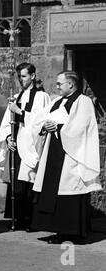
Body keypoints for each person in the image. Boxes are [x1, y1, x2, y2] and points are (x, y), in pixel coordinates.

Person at [30, 71, 102, 243]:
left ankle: (71, 232)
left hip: (71, 155)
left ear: (70, 84)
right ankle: (57, 230)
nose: (56, 86)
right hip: (52, 151)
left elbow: (81, 127)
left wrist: (59, 127)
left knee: (68, 190)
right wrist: (45, 127)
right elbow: (39, 121)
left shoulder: (83, 102)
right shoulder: (56, 102)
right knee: (53, 190)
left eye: (59, 84)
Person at [0, 63, 51, 231]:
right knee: (17, 183)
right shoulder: (16, 95)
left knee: (29, 182)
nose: (21, 80)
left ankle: (31, 220)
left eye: (24, 76)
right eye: (19, 76)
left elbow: (39, 121)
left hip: (31, 145)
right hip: (16, 145)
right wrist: (8, 138)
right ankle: (18, 218)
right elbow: (6, 122)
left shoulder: (42, 97)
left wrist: (19, 111)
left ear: (33, 76)